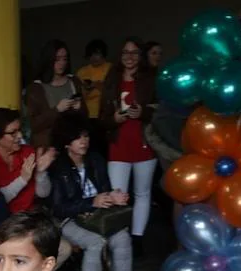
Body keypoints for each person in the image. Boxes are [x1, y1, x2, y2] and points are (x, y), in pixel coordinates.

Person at [49, 114, 142, 271]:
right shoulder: (59, 167)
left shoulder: (96, 160)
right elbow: (58, 208)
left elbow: (104, 191)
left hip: (98, 217)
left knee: (122, 238)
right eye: (77, 138)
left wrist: (114, 197)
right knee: (95, 243)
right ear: (66, 142)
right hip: (69, 220)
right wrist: (91, 202)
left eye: (85, 136)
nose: (84, 142)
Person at [101, 37, 158, 240]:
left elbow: (161, 112)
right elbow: (102, 118)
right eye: (126, 52)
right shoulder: (112, 78)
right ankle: (120, 237)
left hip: (144, 144)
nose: (130, 57)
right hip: (118, 144)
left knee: (142, 193)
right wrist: (114, 119)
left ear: (140, 56)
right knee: (118, 194)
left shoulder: (150, 79)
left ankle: (137, 237)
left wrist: (143, 112)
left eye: (134, 53)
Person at [0, 108, 55, 214]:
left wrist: (41, 173)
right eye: (13, 133)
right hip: (1, 217)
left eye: (20, 130)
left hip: (29, 215)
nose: (20, 136)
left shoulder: (28, 152)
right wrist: (22, 180)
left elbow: (43, 193)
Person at [26, 40, 88, 150]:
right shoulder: (36, 88)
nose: (62, 63)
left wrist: (80, 108)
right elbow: (34, 124)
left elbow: (85, 116)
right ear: (48, 60)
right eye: (57, 59)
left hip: (72, 148)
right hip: (47, 146)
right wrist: (57, 110)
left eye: (65, 59)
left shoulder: (74, 81)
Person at [75, 40, 112, 156]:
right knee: (90, 149)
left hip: (105, 114)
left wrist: (97, 85)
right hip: (87, 115)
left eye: (97, 54)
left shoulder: (110, 69)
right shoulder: (82, 72)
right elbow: (77, 94)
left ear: (103, 54)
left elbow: (112, 90)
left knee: (105, 148)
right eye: (91, 54)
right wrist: (87, 88)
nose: (94, 58)